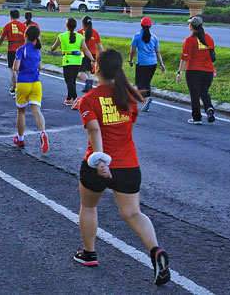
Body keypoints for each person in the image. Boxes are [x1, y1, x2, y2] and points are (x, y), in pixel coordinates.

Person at [73, 49, 170, 286]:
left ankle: (89, 253)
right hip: (128, 165)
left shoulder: (89, 99)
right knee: (133, 213)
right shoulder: (129, 97)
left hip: (96, 164)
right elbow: (128, 129)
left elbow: (95, 130)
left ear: (96, 68)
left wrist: (101, 160)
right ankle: (155, 251)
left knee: (88, 205)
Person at [12, 25, 49, 152]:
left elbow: (16, 68)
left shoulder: (21, 50)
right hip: (36, 83)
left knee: (21, 111)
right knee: (37, 111)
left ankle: (21, 138)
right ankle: (43, 132)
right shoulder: (37, 50)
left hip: (23, 83)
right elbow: (40, 67)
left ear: (25, 35)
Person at [177, 16, 216, 125]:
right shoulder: (209, 38)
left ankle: (197, 117)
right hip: (208, 71)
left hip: (193, 71)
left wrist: (179, 72)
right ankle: (209, 108)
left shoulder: (189, 40)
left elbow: (184, 58)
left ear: (191, 26)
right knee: (204, 92)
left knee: (195, 95)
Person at [51, 18, 91, 106]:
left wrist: (52, 49)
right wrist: (92, 58)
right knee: (72, 80)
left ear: (66, 25)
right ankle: (69, 98)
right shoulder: (80, 36)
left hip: (67, 60)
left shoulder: (62, 36)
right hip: (77, 60)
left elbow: (53, 47)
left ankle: (76, 99)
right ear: (75, 26)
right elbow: (85, 49)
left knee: (69, 81)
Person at [128, 17, 165, 112]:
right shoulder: (154, 37)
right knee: (147, 82)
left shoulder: (137, 36)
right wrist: (161, 64)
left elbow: (132, 51)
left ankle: (146, 99)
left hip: (142, 63)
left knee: (139, 83)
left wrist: (130, 60)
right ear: (151, 25)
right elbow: (157, 52)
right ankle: (147, 99)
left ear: (141, 25)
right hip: (153, 63)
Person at [0, 10, 27, 95]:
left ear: (10, 16)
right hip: (21, 49)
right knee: (20, 69)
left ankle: (14, 88)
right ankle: (23, 87)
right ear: (18, 16)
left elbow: (2, 37)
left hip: (11, 49)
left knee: (12, 70)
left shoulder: (7, 25)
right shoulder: (23, 26)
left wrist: (0, 43)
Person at [78, 16, 104, 93]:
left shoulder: (79, 33)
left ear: (82, 23)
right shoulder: (95, 33)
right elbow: (100, 46)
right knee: (88, 71)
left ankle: (88, 82)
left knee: (80, 73)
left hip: (84, 54)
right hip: (93, 55)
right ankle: (88, 87)